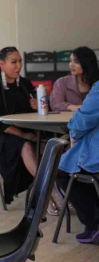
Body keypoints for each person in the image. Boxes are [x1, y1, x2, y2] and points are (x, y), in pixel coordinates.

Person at [0, 47, 56, 209]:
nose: (19, 66)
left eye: (20, 61)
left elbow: (37, 113)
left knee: (47, 143)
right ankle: (50, 192)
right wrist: (24, 135)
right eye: (14, 62)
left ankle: (51, 188)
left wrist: (38, 107)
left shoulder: (25, 84)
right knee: (25, 145)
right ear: (1, 64)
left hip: (24, 130)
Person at [55, 80, 99, 244]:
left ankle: (93, 225)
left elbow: (84, 119)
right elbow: (56, 103)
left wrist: (73, 134)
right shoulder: (62, 83)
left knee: (63, 170)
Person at [50, 47, 99, 112]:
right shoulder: (61, 82)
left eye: (76, 62)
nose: (71, 64)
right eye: (70, 61)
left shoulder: (97, 83)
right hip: (69, 121)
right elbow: (55, 104)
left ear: (87, 63)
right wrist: (72, 107)